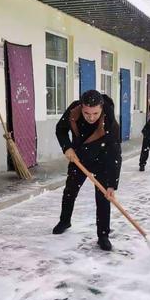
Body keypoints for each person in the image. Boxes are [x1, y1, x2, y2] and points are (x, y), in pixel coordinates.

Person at [53, 90, 122, 251]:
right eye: (87, 113)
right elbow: (60, 129)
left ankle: (103, 235)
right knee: (70, 190)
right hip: (79, 158)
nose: (91, 117)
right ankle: (65, 220)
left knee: (103, 197)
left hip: (103, 161)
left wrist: (112, 185)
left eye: (95, 113)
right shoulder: (74, 111)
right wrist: (67, 147)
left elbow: (115, 155)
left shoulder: (110, 123)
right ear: (81, 107)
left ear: (101, 108)